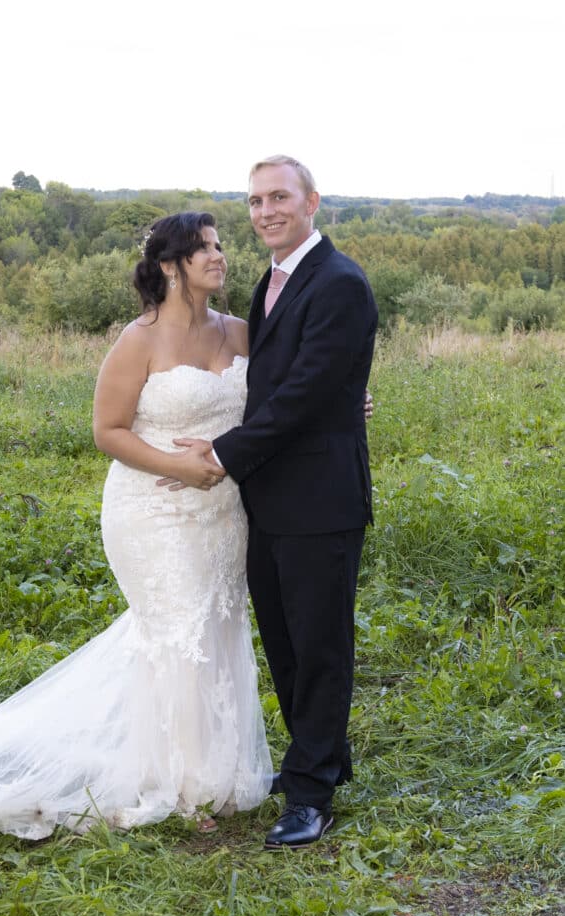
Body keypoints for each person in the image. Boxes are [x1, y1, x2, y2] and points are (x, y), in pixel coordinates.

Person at [0, 213, 273, 849]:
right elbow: (108, 432)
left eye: (219, 244)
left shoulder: (238, 332)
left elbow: (288, 393)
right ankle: (176, 784)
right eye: (204, 247)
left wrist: (345, 399)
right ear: (172, 266)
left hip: (222, 513)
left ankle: (213, 769)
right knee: (175, 629)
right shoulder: (138, 340)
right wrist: (178, 464)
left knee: (215, 625)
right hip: (151, 512)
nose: (220, 255)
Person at [168, 157, 377, 850]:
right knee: (286, 642)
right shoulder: (273, 280)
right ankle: (321, 760)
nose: (265, 211)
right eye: (255, 201)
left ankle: (310, 795)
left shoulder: (339, 282)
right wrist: (344, 398)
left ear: (312, 201)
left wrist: (224, 452)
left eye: (279, 197)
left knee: (318, 646)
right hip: (271, 497)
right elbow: (287, 382)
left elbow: (303, 393)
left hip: (319, 498)